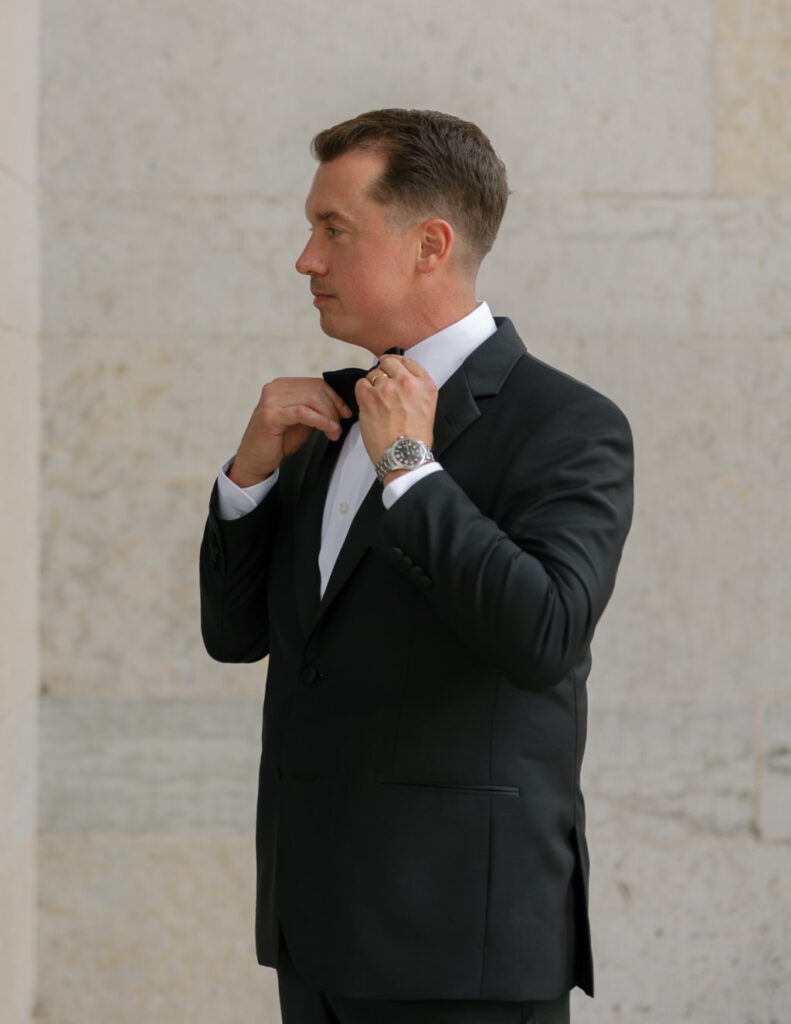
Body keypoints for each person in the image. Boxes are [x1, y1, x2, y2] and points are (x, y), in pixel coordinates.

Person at [200, 108, 633, 1024]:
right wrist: (245, 481)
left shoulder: (569, 425)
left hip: (459, 949)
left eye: (332, 229)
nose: (305, 260)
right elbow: (236, 638)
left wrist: (409, 469)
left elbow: (543, 633)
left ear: (429, 244)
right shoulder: (327, 418)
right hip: (311, 933)